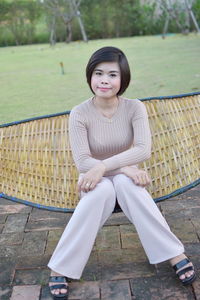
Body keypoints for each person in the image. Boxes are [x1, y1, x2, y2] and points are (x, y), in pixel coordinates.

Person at [48, 46, 196, 299]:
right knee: (99, 190)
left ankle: (174, 254)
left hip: (123, 176)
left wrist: (108, 166)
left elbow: (143, 150)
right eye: (98, 73)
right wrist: (123, 167)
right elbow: (83, 162)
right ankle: (60, 268)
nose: (104, 80)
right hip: (95, 178)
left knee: (130, 186)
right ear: (90, 76)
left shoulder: (134, 108)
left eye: (112, 74)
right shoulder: (79, 113)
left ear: (123, 78)